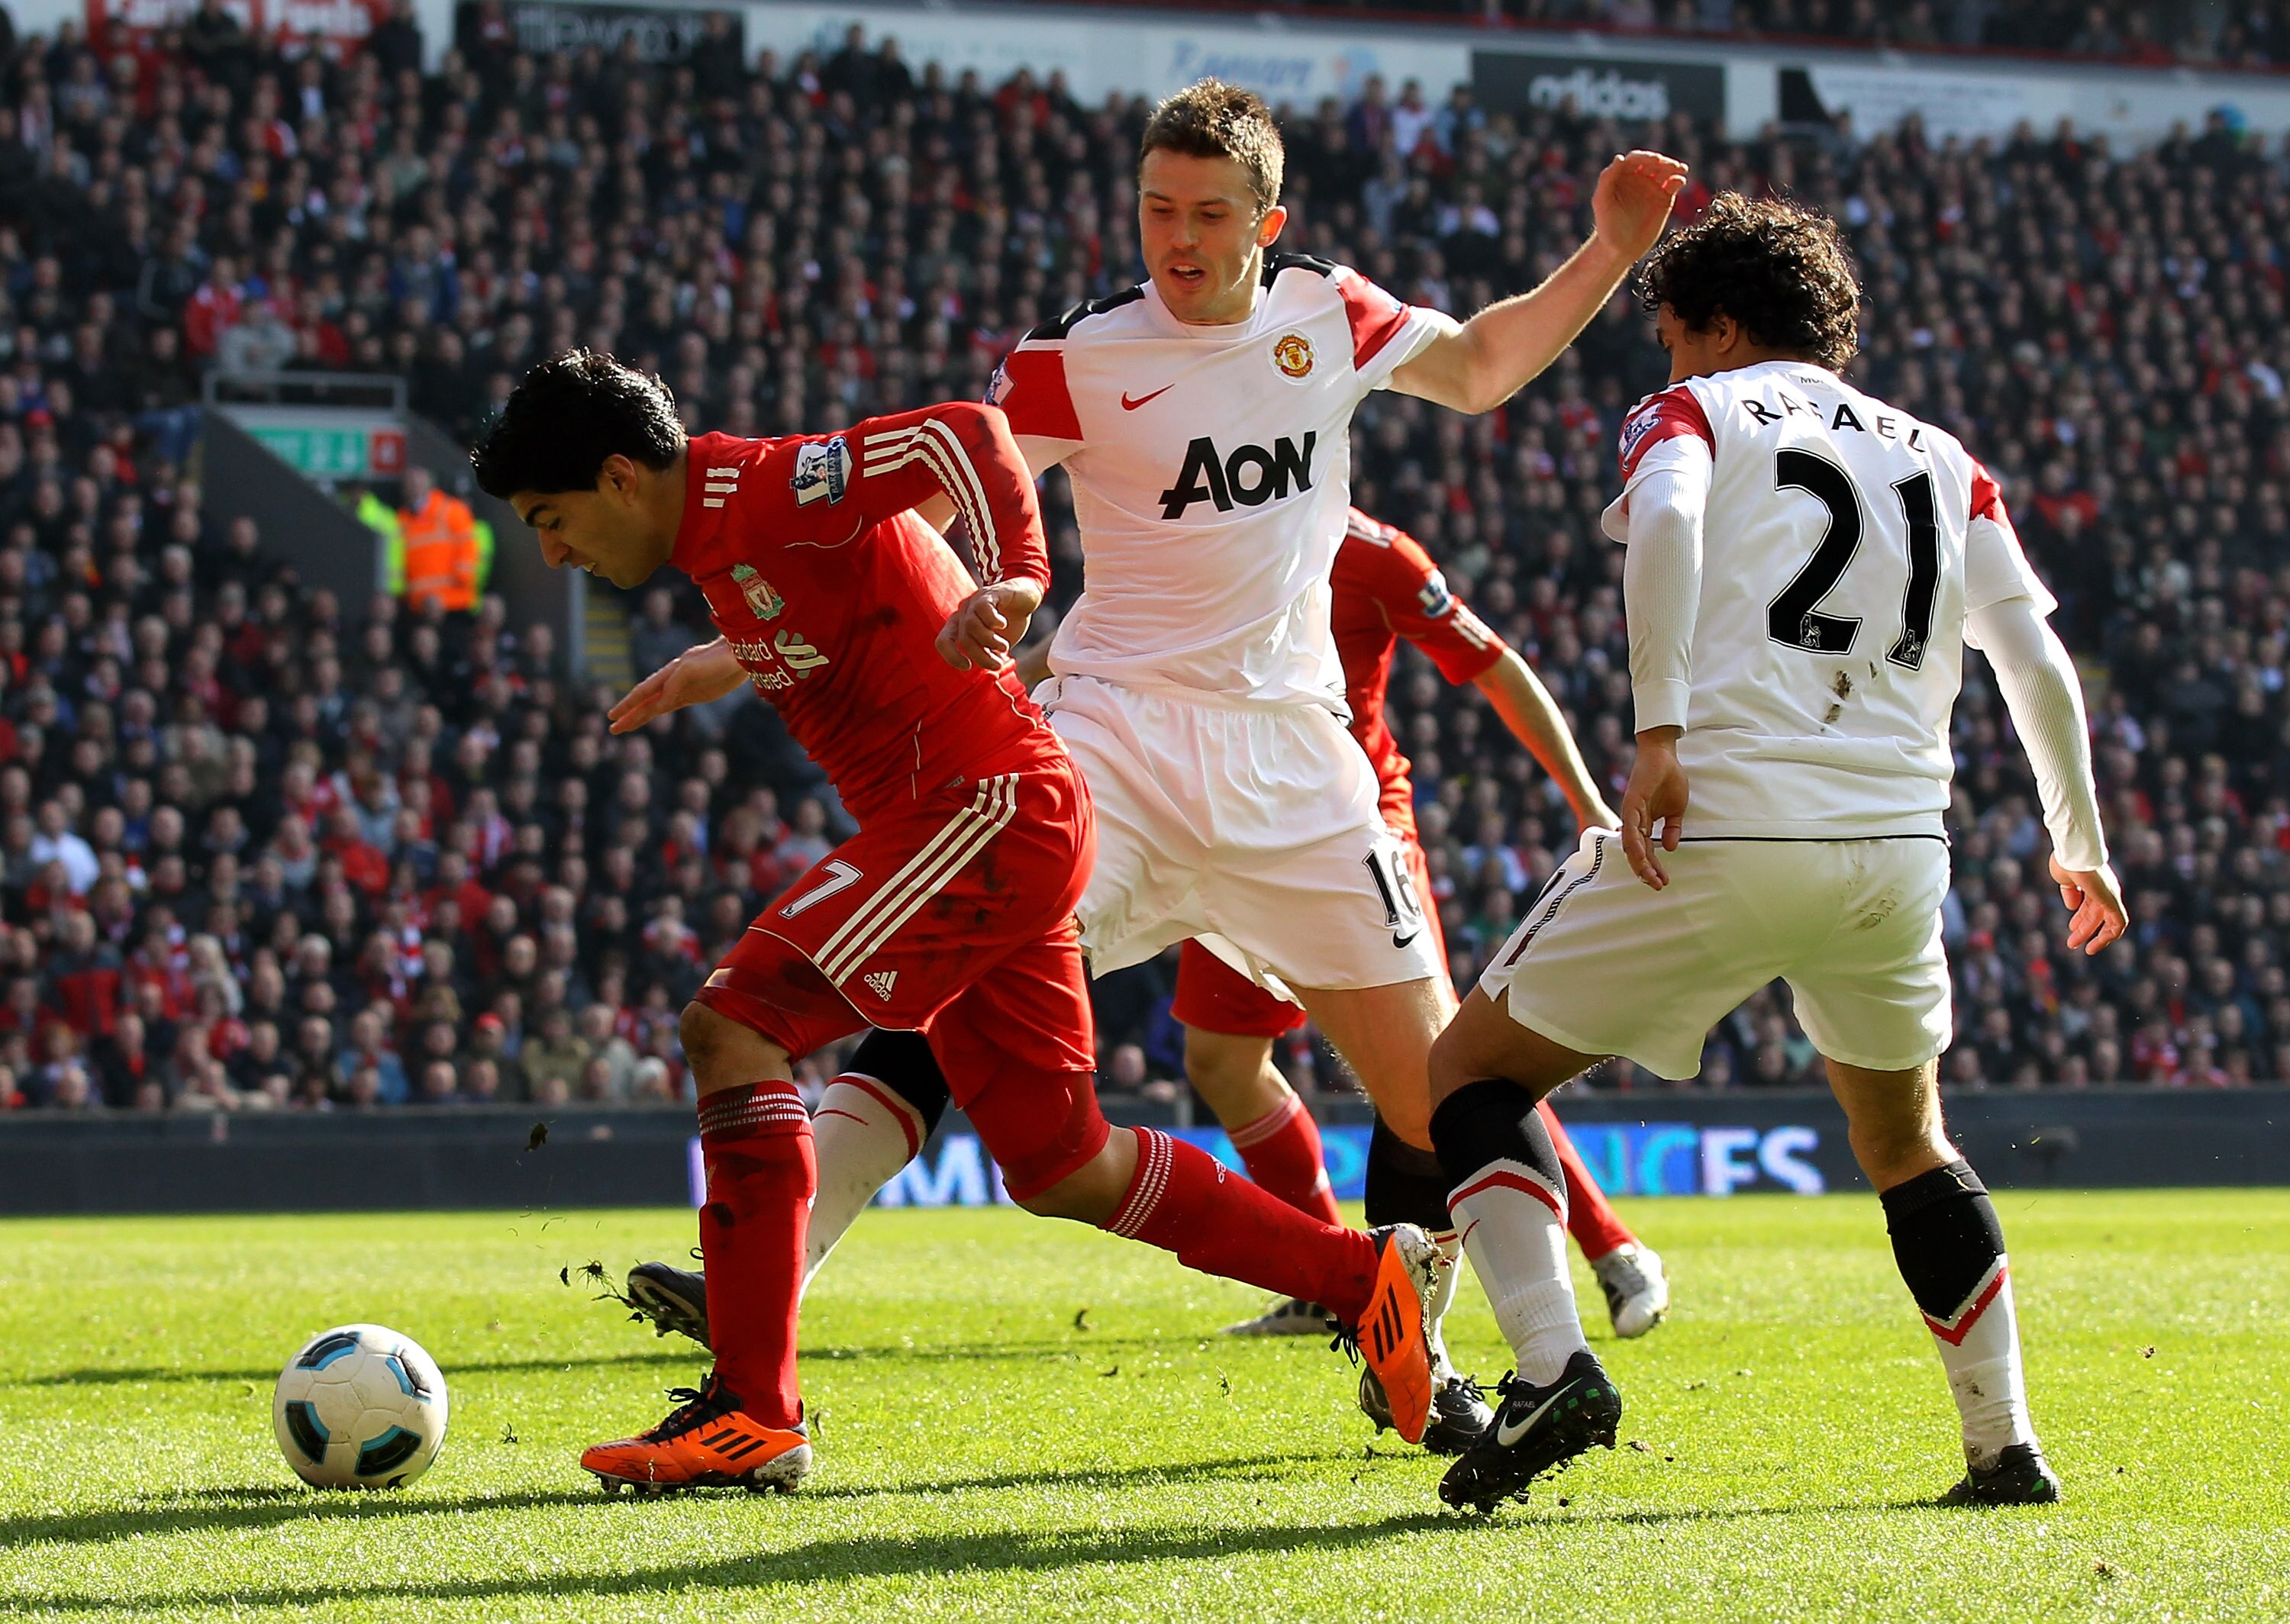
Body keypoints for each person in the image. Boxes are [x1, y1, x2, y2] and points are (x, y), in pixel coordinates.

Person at [472, 350, 1443, 1494]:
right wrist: (721, 662)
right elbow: (849, 596)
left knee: (732, 1026)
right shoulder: (725, 547)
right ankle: (1362, 1274)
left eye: (552, 517)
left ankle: (753, 1411)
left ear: (622, 477)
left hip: (987, 808)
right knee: (1061, 1163)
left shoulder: (762, 487)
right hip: (1003, 822)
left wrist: (1020, 576)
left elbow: (964, 437)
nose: (551, 552)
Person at [937, 78, 1683, 1448]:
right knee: (956, 971)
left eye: (1210, 212)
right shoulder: (1070, 359)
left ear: (1268, 223)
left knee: (1442, 1087)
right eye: (1159, 207)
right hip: (1117, 733)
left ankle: (1538, 1364)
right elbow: (940, 495)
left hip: (1296, 764)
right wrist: (926, 607)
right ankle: (764, 1334)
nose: (1179, 234)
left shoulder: (1326, 312)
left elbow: (1480, 368)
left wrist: (1612, 254)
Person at [614, 510, 1674, 1426]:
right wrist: (765, 647)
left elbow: (1492, 662)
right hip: (1143, 795)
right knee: (1003, 1004)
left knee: (1436, 1083)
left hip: (1311, 827)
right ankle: (772, 1276)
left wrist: (1585, 797)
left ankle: (1517, 1295)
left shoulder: (1367, 550)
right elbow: (1042, 635)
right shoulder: (1161, 531)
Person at [1424, 194, 2127, 1513]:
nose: (1665, 366)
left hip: (1728, 821)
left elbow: (1673, 530)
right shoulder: (1941, 452)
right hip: (1898, 848)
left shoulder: (1699, 411)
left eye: (1673, 338)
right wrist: (2076, 841)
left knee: (1465, 1074)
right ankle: (2005, 1447)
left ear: (1721, 327)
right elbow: (2032, 654)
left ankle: (1548, 1368)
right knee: (1910, 1143)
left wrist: (1657, 730)